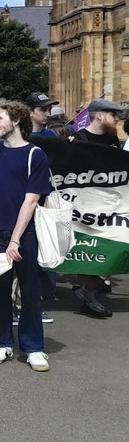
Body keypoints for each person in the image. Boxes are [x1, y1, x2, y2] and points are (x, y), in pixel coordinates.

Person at [0, 100, 52, 372]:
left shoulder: (36, 155)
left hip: (25, 233)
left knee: (30, 290)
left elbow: (31, 200)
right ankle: (1, 343)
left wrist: (15, 240)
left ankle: (34, 347)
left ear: (15, 120)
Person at [67, 98, 125, 318]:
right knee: (89, 249)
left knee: (112, 246)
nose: (117, 119)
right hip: (85, 207)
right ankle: (88, 295)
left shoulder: (112, 138)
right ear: (100, 115)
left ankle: (90, 290)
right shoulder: (79, 139)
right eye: (113, 115)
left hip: (111, 205)